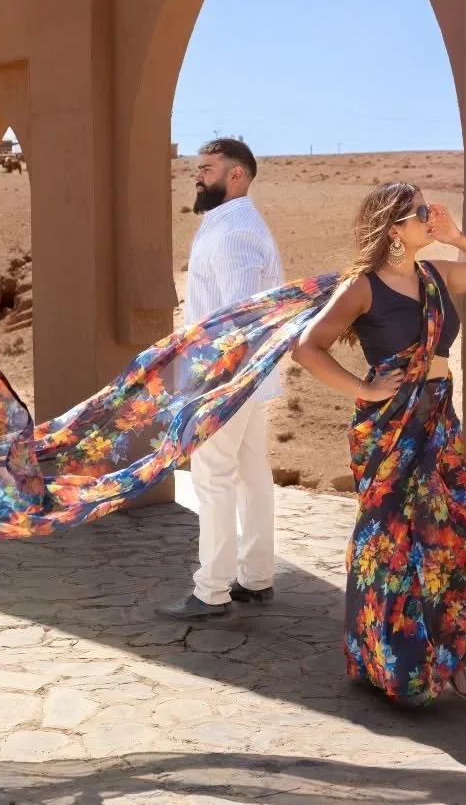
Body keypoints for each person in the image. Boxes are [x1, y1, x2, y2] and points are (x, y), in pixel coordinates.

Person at [290, 181, 466, 705]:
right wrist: (362, 388)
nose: (427, 217)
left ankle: (449, 654)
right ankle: (393, 665)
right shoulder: (363, 287)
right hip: (390, 425)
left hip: (438, 417)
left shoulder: (436, 275)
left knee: (463, 527)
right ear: (393, 227)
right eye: (419, 212)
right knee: (391, 542)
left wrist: (455, 235)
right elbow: (307, 347)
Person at [155, 137, 286, 622]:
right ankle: (255, 578)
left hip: (228, 379)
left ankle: (211, 591)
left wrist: (213, 384)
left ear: (237, 175)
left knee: (212, 478)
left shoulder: (234, 233)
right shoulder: (226, 225)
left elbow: (242, 318)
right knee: (251, 474)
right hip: (243, 378)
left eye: (207, 168)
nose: (197, 175)